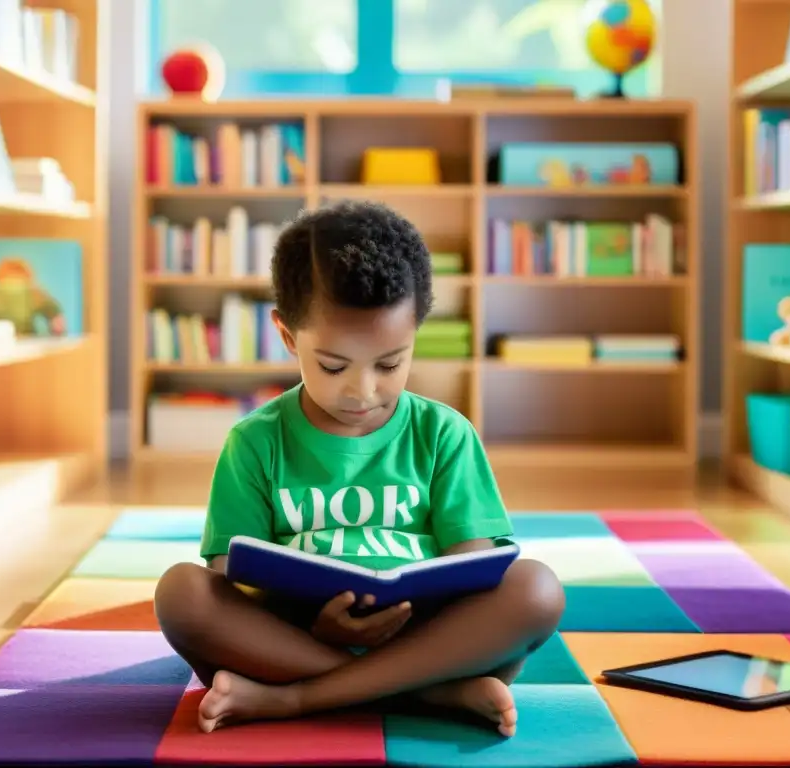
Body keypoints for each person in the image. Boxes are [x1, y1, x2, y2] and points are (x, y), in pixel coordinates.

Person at [153, 200, 565, 738]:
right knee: (181, 593)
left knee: (535, 589)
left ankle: (299, 699)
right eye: (333, 365)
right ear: (286, 336)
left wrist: (417, 614)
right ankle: (431, 695)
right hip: (296, 636)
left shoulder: (443, 434)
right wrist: (311, 617)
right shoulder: (254, 442)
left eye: (390, 363)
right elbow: (231, 580)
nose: (363, 391)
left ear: (416, 333)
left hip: (427, 635)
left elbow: (475, 570)